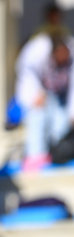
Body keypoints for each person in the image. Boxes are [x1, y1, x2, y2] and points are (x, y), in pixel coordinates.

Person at [15, 34, 74, 170]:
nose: (63, 60)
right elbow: (25, 72)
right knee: (38, 120)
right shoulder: (37, 52)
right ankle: (36, 158)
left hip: (61, 96)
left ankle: (55, 154)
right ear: (54, 53)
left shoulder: (70, 56)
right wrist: (35, 93)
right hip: (39, 94)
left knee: (61, 126)